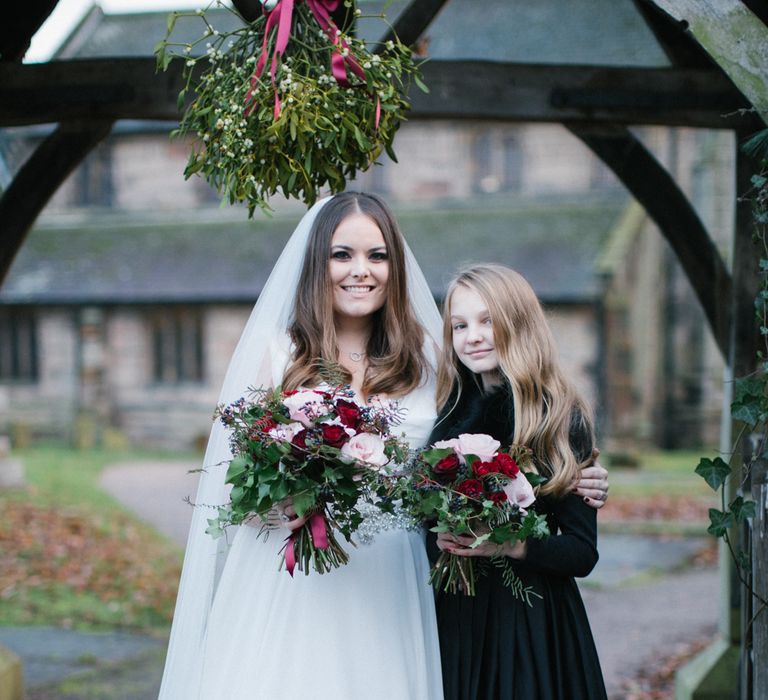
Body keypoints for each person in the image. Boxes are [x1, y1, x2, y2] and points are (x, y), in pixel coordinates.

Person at [159, 194, 608, 699]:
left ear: (395, 265)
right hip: (297, 579)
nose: (361, 271)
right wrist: (278, 503)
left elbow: (495, 430)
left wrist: (576, 476)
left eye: (377, 256)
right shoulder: (281, 354)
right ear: (317, 264)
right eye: (342, 254)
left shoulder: (427, 358)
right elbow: (239, 486)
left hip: (397, 581)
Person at [428, 263, 607, 700]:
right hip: (454, 619)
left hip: (530, 623)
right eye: (460, 325)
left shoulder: (558, 419)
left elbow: (582, 553)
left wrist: (512, 544)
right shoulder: (444, 420)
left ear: (518, 321)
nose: (473, 336)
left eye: (488, 320)